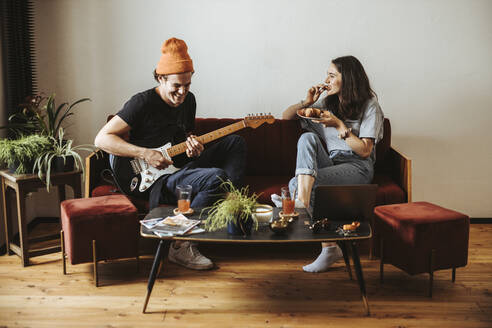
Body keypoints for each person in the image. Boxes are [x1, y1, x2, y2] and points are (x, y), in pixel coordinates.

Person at [95, 37, 247, 270]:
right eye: (176, 86)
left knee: (235, 142)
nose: (182, 92)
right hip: (153, 179)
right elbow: (102, 139)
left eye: (187, 85)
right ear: (160, 78)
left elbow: (181, 143)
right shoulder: (142, 103)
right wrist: (145, 153)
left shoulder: (189, 100)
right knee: (216, 176)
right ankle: (180, 245)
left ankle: (229, 198)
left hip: (179, 168)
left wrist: (193, 149)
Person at [280, 55, 384, 273]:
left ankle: (326, 244)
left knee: (295, 183)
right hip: (333, 163)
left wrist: (338, 124)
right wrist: (306, 102)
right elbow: (286, 117)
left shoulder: (370, 106)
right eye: (327, 74)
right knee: (306, 139)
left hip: (358, 167)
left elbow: (365, 151)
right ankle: (301, 200)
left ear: (348, 79)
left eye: (332, 75)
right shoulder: (328, 103)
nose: (326, 79)